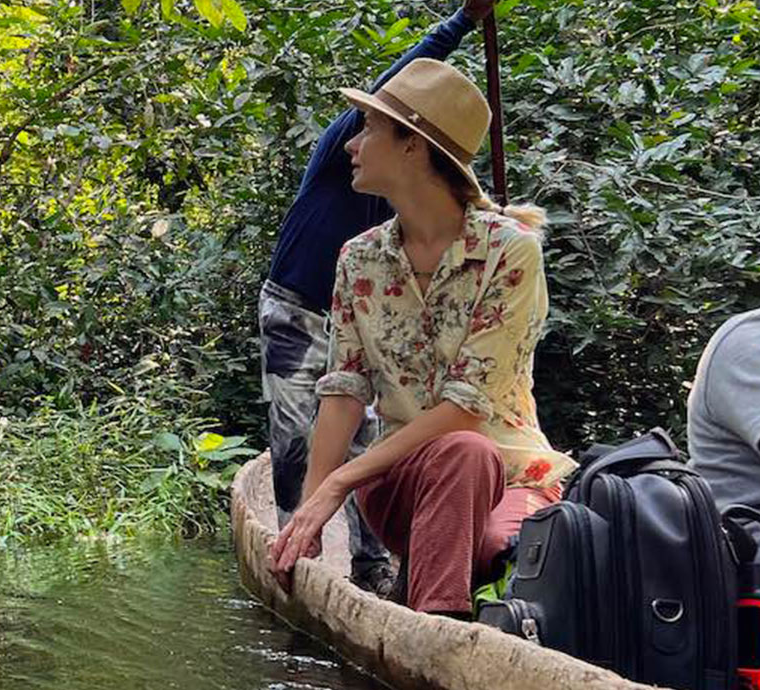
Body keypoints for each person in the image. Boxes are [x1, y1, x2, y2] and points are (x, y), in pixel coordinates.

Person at [266, 57, 574, 618]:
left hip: (511, 476)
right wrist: (309, 512)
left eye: (369, 129)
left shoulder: (510, 252)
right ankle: (437, 627)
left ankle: (429, 620)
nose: (351, 145)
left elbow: (465, 408)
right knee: (459, 459)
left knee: (480, 493)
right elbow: (344, 393)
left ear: (412, 146)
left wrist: (339, 483)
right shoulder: (359, 259)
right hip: (402, 482)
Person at [259, 0, 495, 594]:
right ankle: (295, 544)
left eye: (373, 129)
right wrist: (460, 23)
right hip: (296, 306)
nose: (356, 141)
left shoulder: (398, 216)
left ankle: (369, 567)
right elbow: (402, 84)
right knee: (293, 434)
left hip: (359, 319)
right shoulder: (347, 153)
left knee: (369, 436)